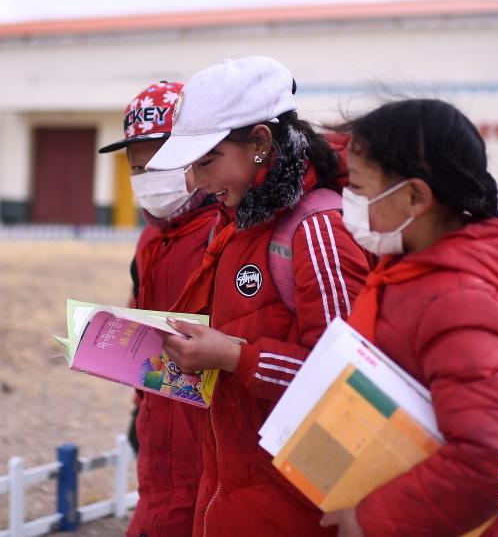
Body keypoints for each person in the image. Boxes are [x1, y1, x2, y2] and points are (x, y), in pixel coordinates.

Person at [146, 56, 372, 536]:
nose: (195, 182)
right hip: (234, 494)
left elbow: (350, 384)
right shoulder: (236, 226)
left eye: (207, 161)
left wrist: (235, 357)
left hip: (300, 509)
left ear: (260, 144)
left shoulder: (316, 230)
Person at [321, 98, 498, 536]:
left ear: (415, 197)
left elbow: (491, 462)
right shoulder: (410, 268)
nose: (348, 202)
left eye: (357, 187)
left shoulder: (459, 302)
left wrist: (370, 519)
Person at [97, 80, 220, 537]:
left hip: (211, 447)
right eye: (137, 167)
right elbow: (144, 325)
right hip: (159, 440)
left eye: (159, 164)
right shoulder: (151, 237)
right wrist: (139, 405)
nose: (148, 177)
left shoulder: (227, 231)